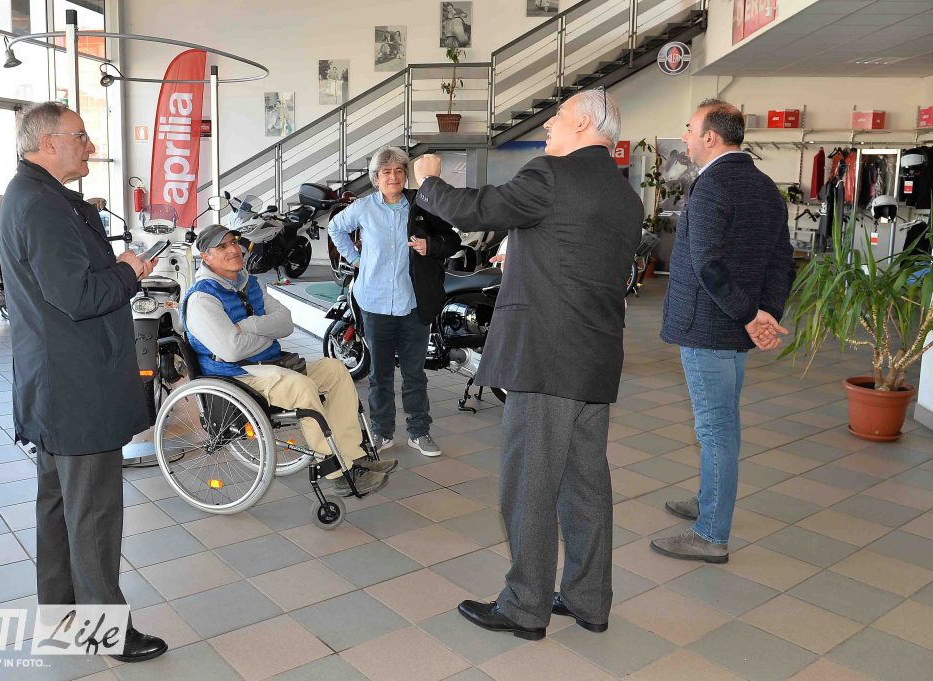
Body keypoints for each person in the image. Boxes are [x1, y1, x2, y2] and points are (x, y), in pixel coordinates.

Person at [412, 88, 643, 640]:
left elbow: (475, 208)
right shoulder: (624, 194)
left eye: (558, 118)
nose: (548, 128)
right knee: (586, 485)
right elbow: (575, 255)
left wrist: (429, 180)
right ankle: (589, 599)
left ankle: (524, 605)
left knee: (529, 485)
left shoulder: (551, 175)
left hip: (544, 359)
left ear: (584, 124)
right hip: (594, 356)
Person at [0, 101, 167, 663]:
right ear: (47, 143)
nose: (90, 144)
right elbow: (78, 296)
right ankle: (104, 629)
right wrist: (130, 271)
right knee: (92, 511)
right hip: (76, 384)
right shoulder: (42, 205)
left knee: (58, 505)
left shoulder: (34, 196)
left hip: (53, 381)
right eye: (81, 135)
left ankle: (63, 615)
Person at [651, 99, 795, 563]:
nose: (686, 137)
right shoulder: (764, 185)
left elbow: (708, 265)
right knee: (724, 422)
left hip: (710, 329)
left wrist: (752, 317)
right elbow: (782, 259)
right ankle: (708, 498)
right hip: (735, 326)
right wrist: (765, 313)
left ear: (710, 137)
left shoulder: (712, 186)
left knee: (716, 430)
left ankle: (711, 534)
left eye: (690, 129)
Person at [183, 224, 397, 496]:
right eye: (222, 246)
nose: (234, 249)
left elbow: (285, 324)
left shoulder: (250, 283)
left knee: (334, 369)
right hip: (239, 375)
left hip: (271, 365)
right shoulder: (202, 299)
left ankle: (353, 455)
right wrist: (267, 333)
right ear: (206, 257)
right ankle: (336, 471)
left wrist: (249, 326)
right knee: (301, 387)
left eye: (234, 242)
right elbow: (232, 350)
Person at [328, 146, 461, 458]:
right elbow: (335, 228)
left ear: (406, 176)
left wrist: (430, 245)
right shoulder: (363, 208)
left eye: (399, 171)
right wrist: (356, 259)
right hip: (374, 302)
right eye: (386, 172)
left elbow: (452, 240)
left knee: (415, 374)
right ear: (376, 178)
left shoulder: (421, 205)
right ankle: (382, 432)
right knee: (380, 375)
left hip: (413, 303)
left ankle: (419, 431)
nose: (393, 177)